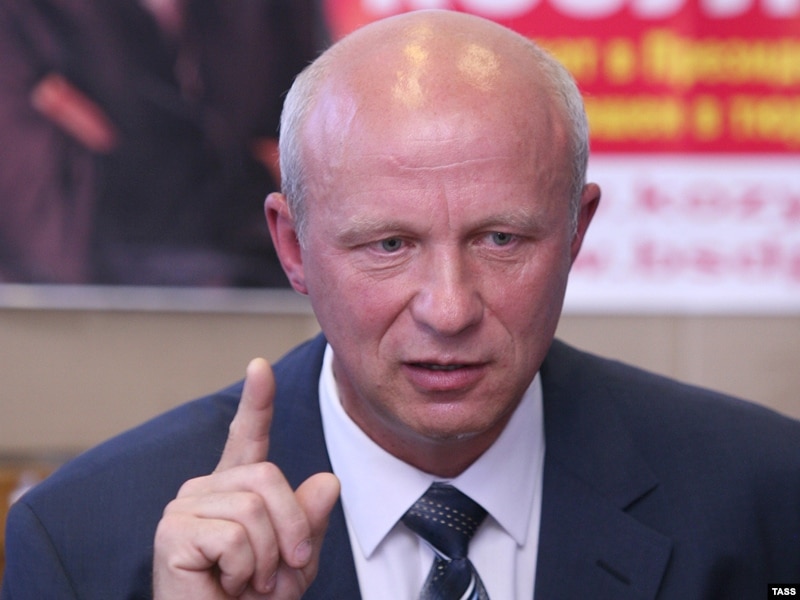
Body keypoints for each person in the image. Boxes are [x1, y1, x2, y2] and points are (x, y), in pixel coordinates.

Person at [3, 9, 800, 599]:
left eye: (501, 239)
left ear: (575, 231)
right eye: (388, 245)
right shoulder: (86, 542)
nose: (448, 310)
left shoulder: (768, 496)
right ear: (292, 248)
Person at [0, 0, 327, 286]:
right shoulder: (25, 16)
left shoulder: (267, 12)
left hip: (256, 294)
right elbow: (53, 236)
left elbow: (305, 167)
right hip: (72, 310)